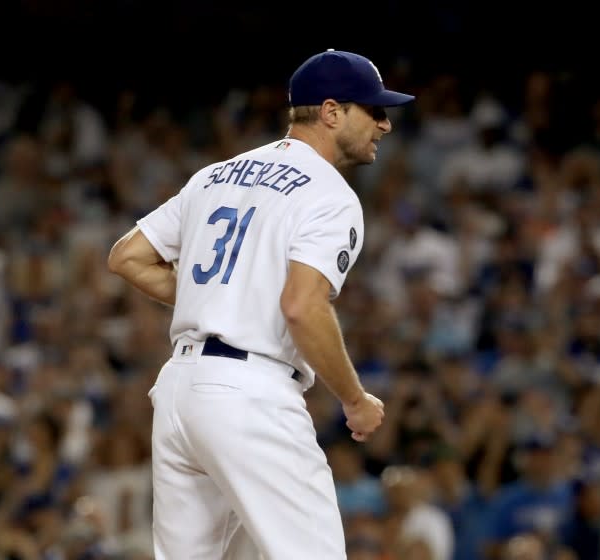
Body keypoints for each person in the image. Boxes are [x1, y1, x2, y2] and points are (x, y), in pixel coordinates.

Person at [107, 49, 415, 559]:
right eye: (374, 110)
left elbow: (126, 257)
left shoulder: (215, 175)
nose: (384, 124)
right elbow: (302, 307)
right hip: (249, 395)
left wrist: (221, 298)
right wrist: (355, 401)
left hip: (180, 391)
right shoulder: (330, 194)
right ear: (332, 111)